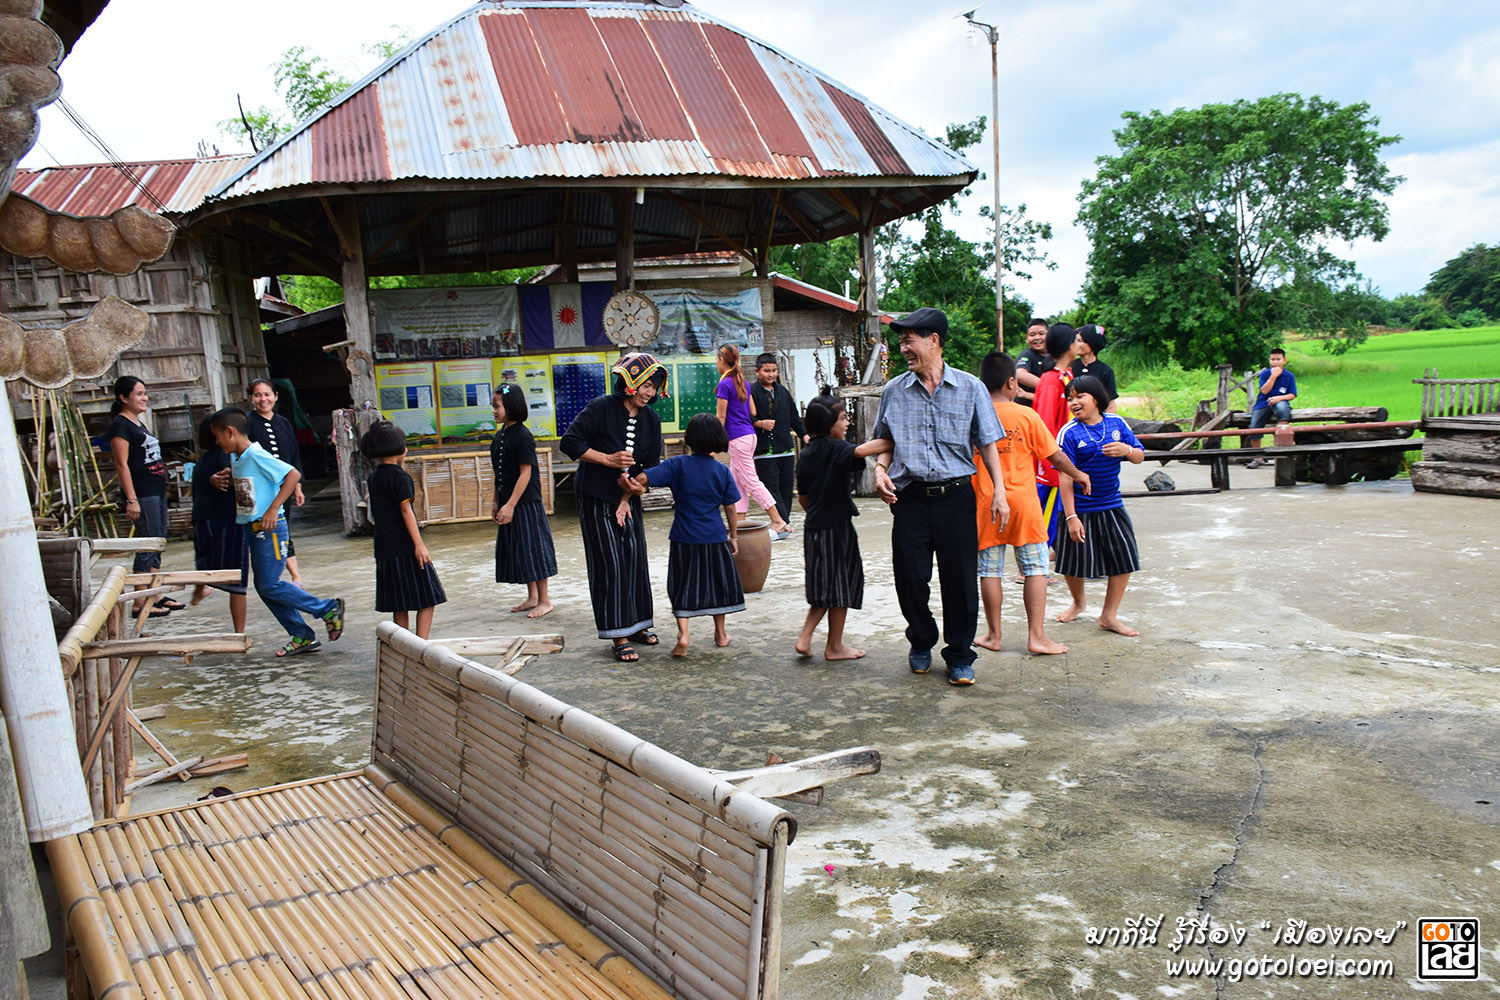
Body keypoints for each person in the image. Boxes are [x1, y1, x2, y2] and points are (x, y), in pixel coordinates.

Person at [867, 307, 1007, 687]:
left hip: (957, 496)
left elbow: (988, 443)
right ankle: (922, 639)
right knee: (910, 577)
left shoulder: (970, 388)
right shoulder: (895, 390)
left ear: (934, 341)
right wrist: (880, 470)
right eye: (901, 341)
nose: (903, 347)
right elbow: (887, 441)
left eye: (910, 340)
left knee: (960, 580)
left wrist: (999, 491)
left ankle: (960, 654)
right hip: (909, 497)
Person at [971, 353, 1091, 655]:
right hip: (1024, 503)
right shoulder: (1026, 416)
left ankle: (994, 636)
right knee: (1036, 569)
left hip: (986, 502)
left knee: (989, 571)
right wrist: (1077, 474)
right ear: (1012, 382)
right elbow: (1055, 456)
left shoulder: (974, 414)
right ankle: (1036, 637)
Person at [559, 353, 669, 662]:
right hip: (595, 495)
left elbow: (651, 465)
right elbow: (569, 443)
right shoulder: (601, 408)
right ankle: (617, 634)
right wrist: (607, 459)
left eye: (655, 386)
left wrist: (632, 493)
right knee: (609, 562)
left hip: (628, 499)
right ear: (630, 382)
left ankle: (638, 625)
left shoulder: (651, 420)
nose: (650, 392)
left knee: (634, 560)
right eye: (646, 385)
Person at [209, 407, 344, 657]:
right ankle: (301, 635)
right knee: (265, 586)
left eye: (217, 435)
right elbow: (250, 479)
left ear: (229, 432)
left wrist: (273, 508)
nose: (216, 441)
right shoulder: (238, 458)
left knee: (269, 584)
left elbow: (292, 475)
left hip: (270, 528)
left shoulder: (256, 454)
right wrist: (220, 477)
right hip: (255, 528)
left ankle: (326, 608)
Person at [628, 413, 744, 657]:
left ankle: (683, 635)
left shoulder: (676, 465)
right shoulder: (721, 471)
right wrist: (733, 536)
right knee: (717, 585)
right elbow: (731, 508)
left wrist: (632, 492)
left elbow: (643, 478)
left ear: (690, 439)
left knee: (682, 584)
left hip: (683, 536)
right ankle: (721, 634)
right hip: (714, 537)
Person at [794, 395, 886, 661]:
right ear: (829, 424)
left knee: (827, 589)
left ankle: (819, 640)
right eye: (843, 418)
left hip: (814, 529)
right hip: (836, 529)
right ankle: (823, 643)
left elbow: (803, 498)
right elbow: (862, 451)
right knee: (839, 588)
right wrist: (894, 438)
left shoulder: (808, 452)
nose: (847, 423)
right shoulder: (836, 448)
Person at [1054, 376, 1144, 636]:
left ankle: (1109, 616)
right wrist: (1071, 517)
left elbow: (1139, 456)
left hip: (1112, 504)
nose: (1074, 402)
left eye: (1079, 396)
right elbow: (1064, 476)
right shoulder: (1068, 432)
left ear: (1096, 397)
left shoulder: (1117, 423)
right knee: (1073, 562)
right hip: (1079, 509)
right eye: (1069, 398)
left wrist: (1126, 450)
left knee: (1124, 559)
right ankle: (1078, 603)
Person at [361, 420, 446, 639]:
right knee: (428, 597)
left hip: (385, 547)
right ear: (401, 449)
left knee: (399, 602)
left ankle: (403, 645)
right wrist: (419, 545)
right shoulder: (400, 476)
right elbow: (406, 511)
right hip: (406, 547)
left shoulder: (374, 477)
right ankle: (421, 643)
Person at [107, 376, 178, 617]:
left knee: (157, 543)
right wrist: (132, 499)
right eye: (139, 394)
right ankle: (139, 601)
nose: (144, 398)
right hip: (142, 494)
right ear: (123, 398)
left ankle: (155, 592)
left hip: (156, 491)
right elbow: (121, 464)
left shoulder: (137, 423)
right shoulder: (120, 425)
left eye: (145, 393)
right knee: (146, 544)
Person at [490, 384, 558, 618]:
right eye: (493, 406)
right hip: (508, 502)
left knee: (534, 549)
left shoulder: (522, 435)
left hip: (525, 503)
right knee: (521, 550)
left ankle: (545, 600)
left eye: (497, 406)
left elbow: (525, 473)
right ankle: (532, 597)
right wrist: (496, 502)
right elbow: (498, 475)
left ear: (511, 406)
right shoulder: (500, 437)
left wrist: (510, 504)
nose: (494, 411)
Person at [715, 344, 792, 538]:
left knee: (750, 481)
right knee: (736, 483)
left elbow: (721, 417)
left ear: (722, 361)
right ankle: (738, 526)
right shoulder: (743, 383)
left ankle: (777, 519)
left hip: (738, 438)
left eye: (717, 360)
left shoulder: (725, 384)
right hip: (749, 436)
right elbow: (753, 412)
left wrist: (714, 441)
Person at [188, 414, 248, 634]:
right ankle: (239, 633)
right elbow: (235, 475)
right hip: (226, 520)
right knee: (237, 582)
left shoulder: (202, 461)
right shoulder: (226, 457)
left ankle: (201, 588)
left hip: (201, 519)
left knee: (204, 561)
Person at [245, 378, 306, 585]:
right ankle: (274, 573)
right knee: (266, 529)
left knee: (284, 527)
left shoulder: (283, 422)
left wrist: (297, 486)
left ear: (275, 396)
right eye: (258, 395)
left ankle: (296, 575)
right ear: (251, 398)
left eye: (267, 394)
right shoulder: (248, 423)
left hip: (284, 486)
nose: (263, 399)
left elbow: (293, 454)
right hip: (261, 488)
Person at [1031, 323, 1083, 550]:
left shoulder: (1067, 375)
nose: (1079, 345)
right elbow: (1043, 423)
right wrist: (1053, 458)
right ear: (1068, 345)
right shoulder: (1051, 380)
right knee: (1047, 515)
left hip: (1066, 457)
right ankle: (1033, 566)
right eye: (1076, 340)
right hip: (1053, 461)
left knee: (1062, 511)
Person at [750, 352, 806, 526]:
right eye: (767, 371)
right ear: (757, 371)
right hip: (764, 450)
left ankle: (782, 523)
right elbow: (741, 417)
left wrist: (804, 434)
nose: (771, 374)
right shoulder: (750, 392)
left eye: (774, 370)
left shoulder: (783, 392)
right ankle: (783, 523)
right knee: (771, 490)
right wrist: (759, 423)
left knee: (787, 490)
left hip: (786, 449)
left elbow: (794, 417)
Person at [1246, 347, 1298, 467]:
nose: (1275, 362)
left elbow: (1292, 394)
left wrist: (1279, 398)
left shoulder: (1289, 376)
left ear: (1284, 360)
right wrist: (1273, 376)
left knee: (1282, 409)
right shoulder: (1265, 374)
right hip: (1263, 403)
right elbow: (1264, 391)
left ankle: (1282, 452)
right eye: (1272, 359)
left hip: (1281, 401)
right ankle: (1258, 457)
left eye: (1278, 359)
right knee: (1254, 426)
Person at [1070, 325, 1118, 411]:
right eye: (1075, 341)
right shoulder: (1070, 366)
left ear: (1091, 343)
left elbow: (1110, 404)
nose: (1075, 344)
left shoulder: (1105, 371)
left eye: (1080, 341)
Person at [1014, 318, 1054, 407]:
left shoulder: (1055, 357)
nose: (1037, 338)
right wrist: (1049, 387)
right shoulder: (1027, 355)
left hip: (1047, 408)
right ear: (1027, 338)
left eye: (1041, 334)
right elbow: (1020, 374)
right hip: (1027, 409)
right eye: (1032, 335)